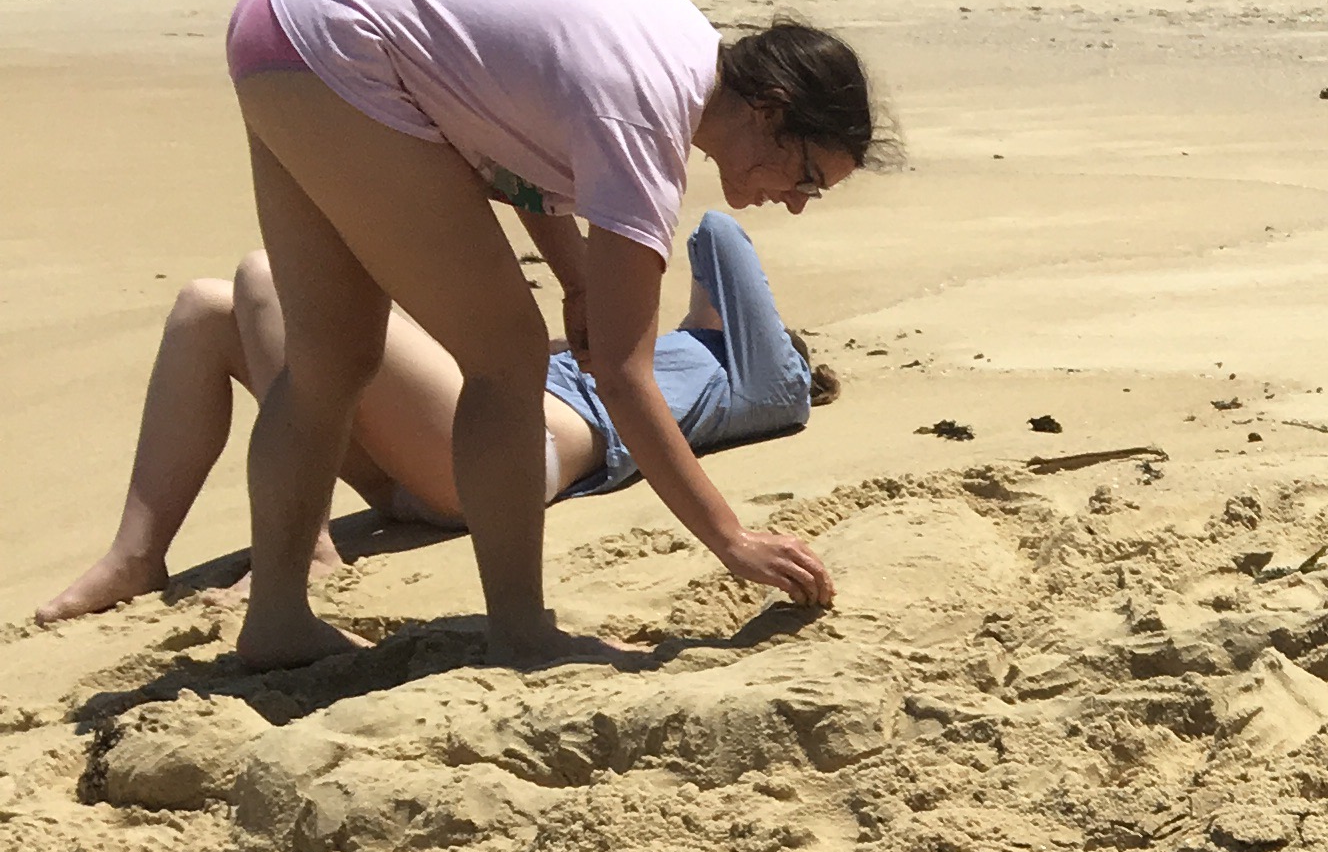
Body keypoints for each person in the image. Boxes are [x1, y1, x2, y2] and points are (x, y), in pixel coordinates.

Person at [211, 0, 877, 668]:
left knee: (330, 358)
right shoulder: (649, 117)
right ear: (772, 110)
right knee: (508, 357)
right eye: (809, 178)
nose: (797, 204)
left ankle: (276, 619)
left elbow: (516, 144)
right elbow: (623, 376)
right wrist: (732, 540)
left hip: (280, 14)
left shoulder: (680, 47)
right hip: (341, 43)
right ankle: (522, 630)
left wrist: (578, 278)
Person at [38, 210, 836, 628]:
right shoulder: (668, 350)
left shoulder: (757, 381)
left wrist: (724, 329)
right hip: (441, 455)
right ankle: (137, 554)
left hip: (515, 456)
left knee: (269, 276)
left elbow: (717, 235)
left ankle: (306, 544)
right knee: (203, 307)